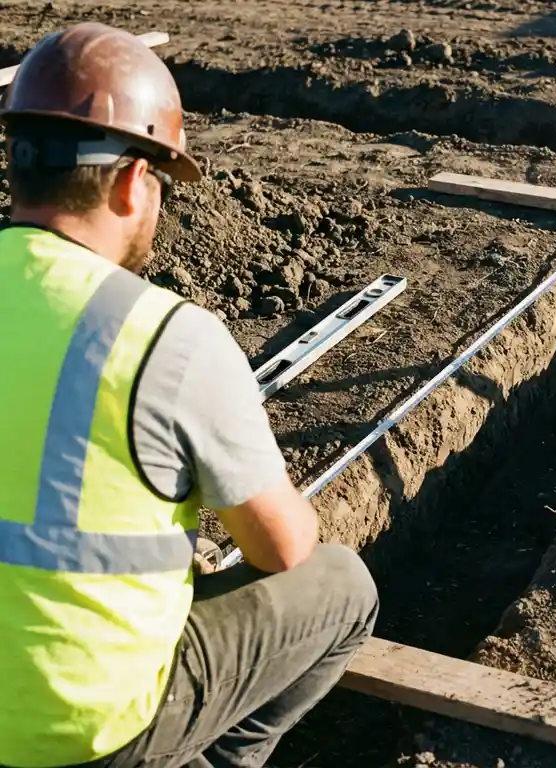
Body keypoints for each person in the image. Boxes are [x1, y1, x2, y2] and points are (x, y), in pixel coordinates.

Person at [0, 22, 378, 768]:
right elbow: (282, 547)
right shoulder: (161, 335)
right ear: (134, 181)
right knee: (342, 583)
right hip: (80, 736)